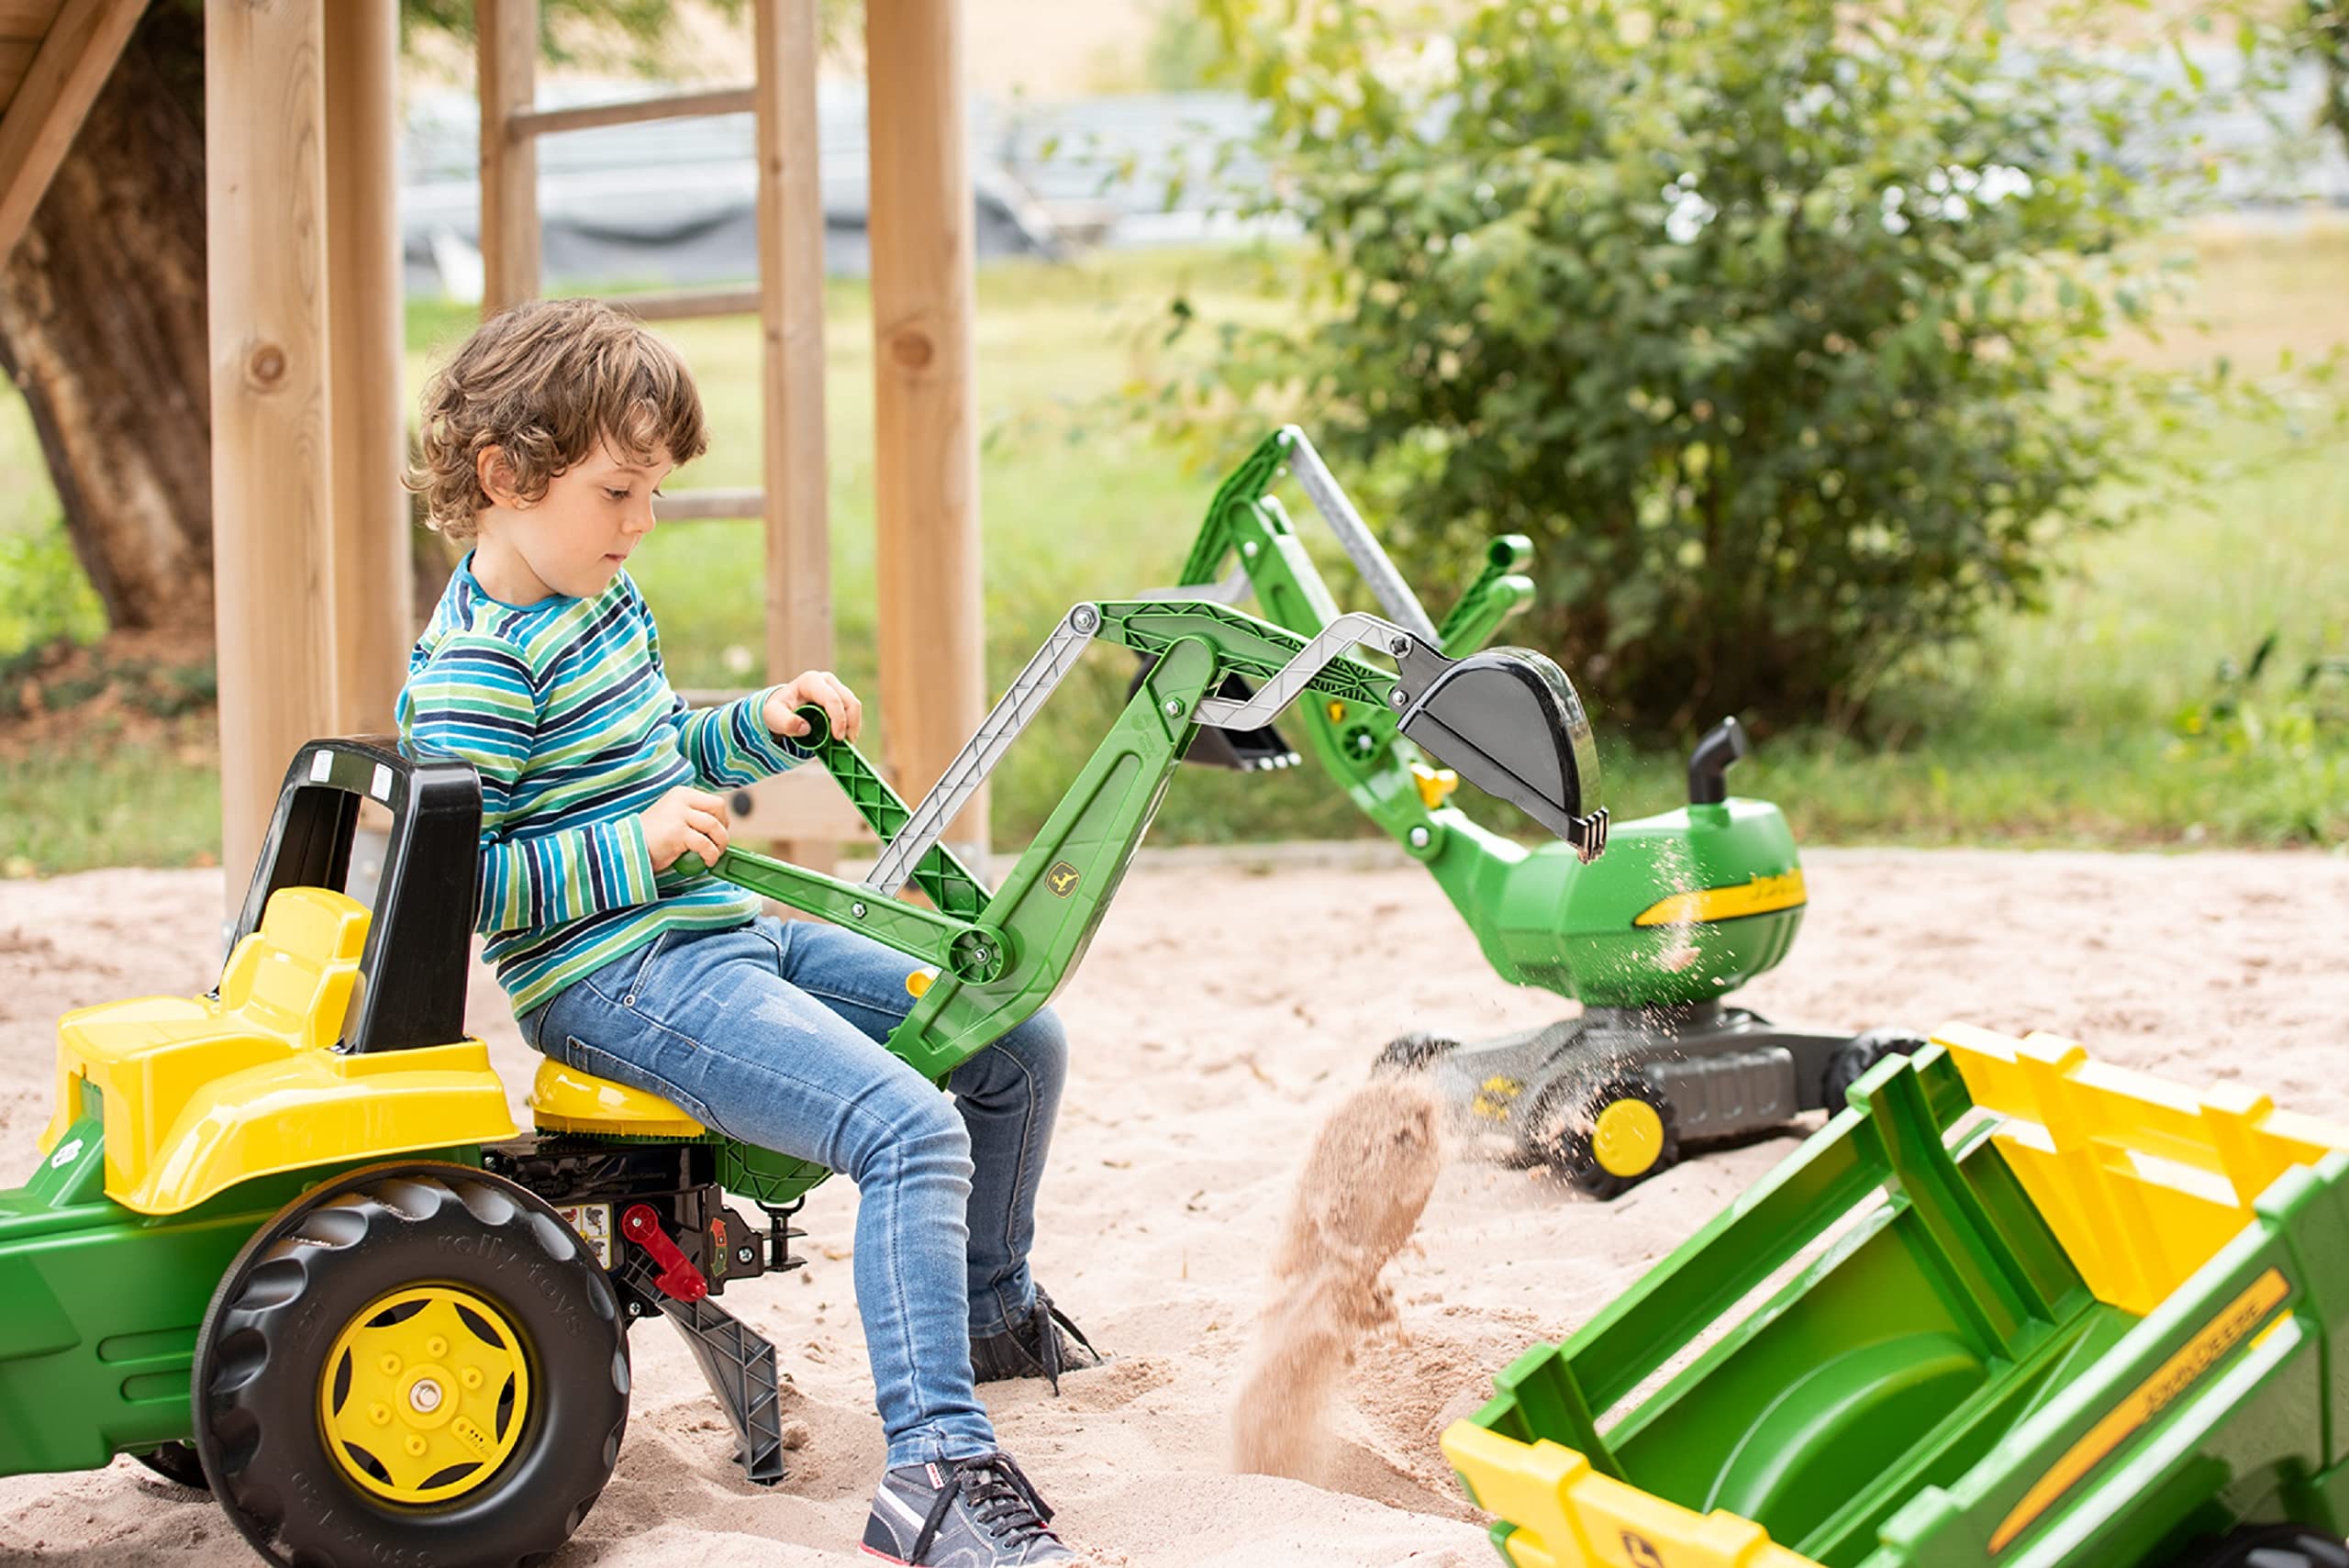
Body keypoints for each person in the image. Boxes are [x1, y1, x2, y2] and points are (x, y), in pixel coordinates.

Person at [396, 297, 1097, 1566]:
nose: (642, 522)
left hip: (718, 936)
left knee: (1013, 1039)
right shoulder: (475, 669)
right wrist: (636, 847)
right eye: (618, 493)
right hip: (612, 978)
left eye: (654, 493)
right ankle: (936, 1469)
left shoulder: (599, 599)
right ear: (503, 476)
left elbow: (661, 749)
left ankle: (989, 1314)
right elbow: (460, 888)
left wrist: (759, 727)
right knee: (908, 1128)